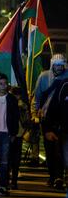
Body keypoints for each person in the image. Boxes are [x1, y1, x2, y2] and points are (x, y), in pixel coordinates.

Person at [32, 53, 68, 189]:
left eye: (61, 65)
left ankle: (59, 176)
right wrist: (35, 114)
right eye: (56, 65)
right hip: (47, 118)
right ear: (52, 65)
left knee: (62, 149)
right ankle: (53, 175)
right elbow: (37, 97)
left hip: (64, 118)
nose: (59, 68)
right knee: (50, 149)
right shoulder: (43, 76)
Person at [44, 77, 68, 198]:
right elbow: (52, 108)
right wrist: (48, 129)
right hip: (64, 130)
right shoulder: (63, 85)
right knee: (64, 157)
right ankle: (58, 177)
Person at [9, 86, 31, 190]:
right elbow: (27, 120)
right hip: (19, 133)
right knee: (15, 158)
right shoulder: (23, 105)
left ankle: (10, 180)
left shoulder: (15, 104)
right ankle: (13, 181)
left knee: (9, 157)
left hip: (12, 133)